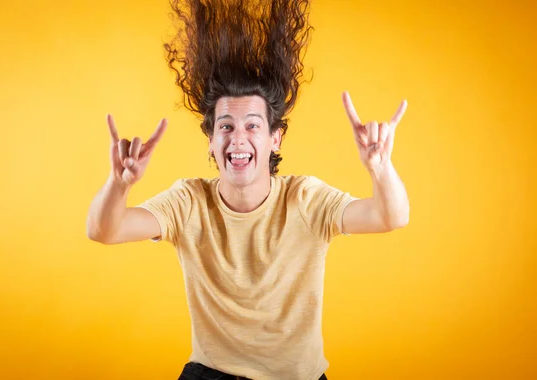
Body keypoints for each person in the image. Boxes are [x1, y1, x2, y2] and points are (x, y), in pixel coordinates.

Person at [86, 0, 409, 379]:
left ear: (276, 139)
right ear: (210, 140)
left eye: (252, 126)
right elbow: (103, 231)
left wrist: (380, 168)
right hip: (211, 373)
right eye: (226, 126)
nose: (238, 139)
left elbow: (392, 217)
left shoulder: (305, 199)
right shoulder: (189, 202)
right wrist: (118, 184)